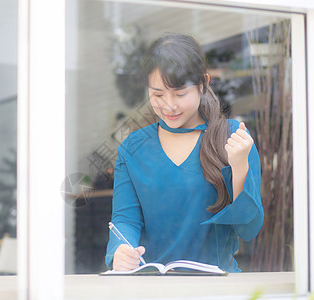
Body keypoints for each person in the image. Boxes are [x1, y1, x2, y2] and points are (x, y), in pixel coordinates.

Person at [104, 33, 264, 273]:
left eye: (180, 94)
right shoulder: (133, 147)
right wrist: (120, 250)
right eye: (157, 94)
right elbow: (125, 220)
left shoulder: (233, 137)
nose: (169, 105)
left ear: (203, 84)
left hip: (218, 288)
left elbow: (248, 230)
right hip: (154, 288)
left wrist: (240, 166)